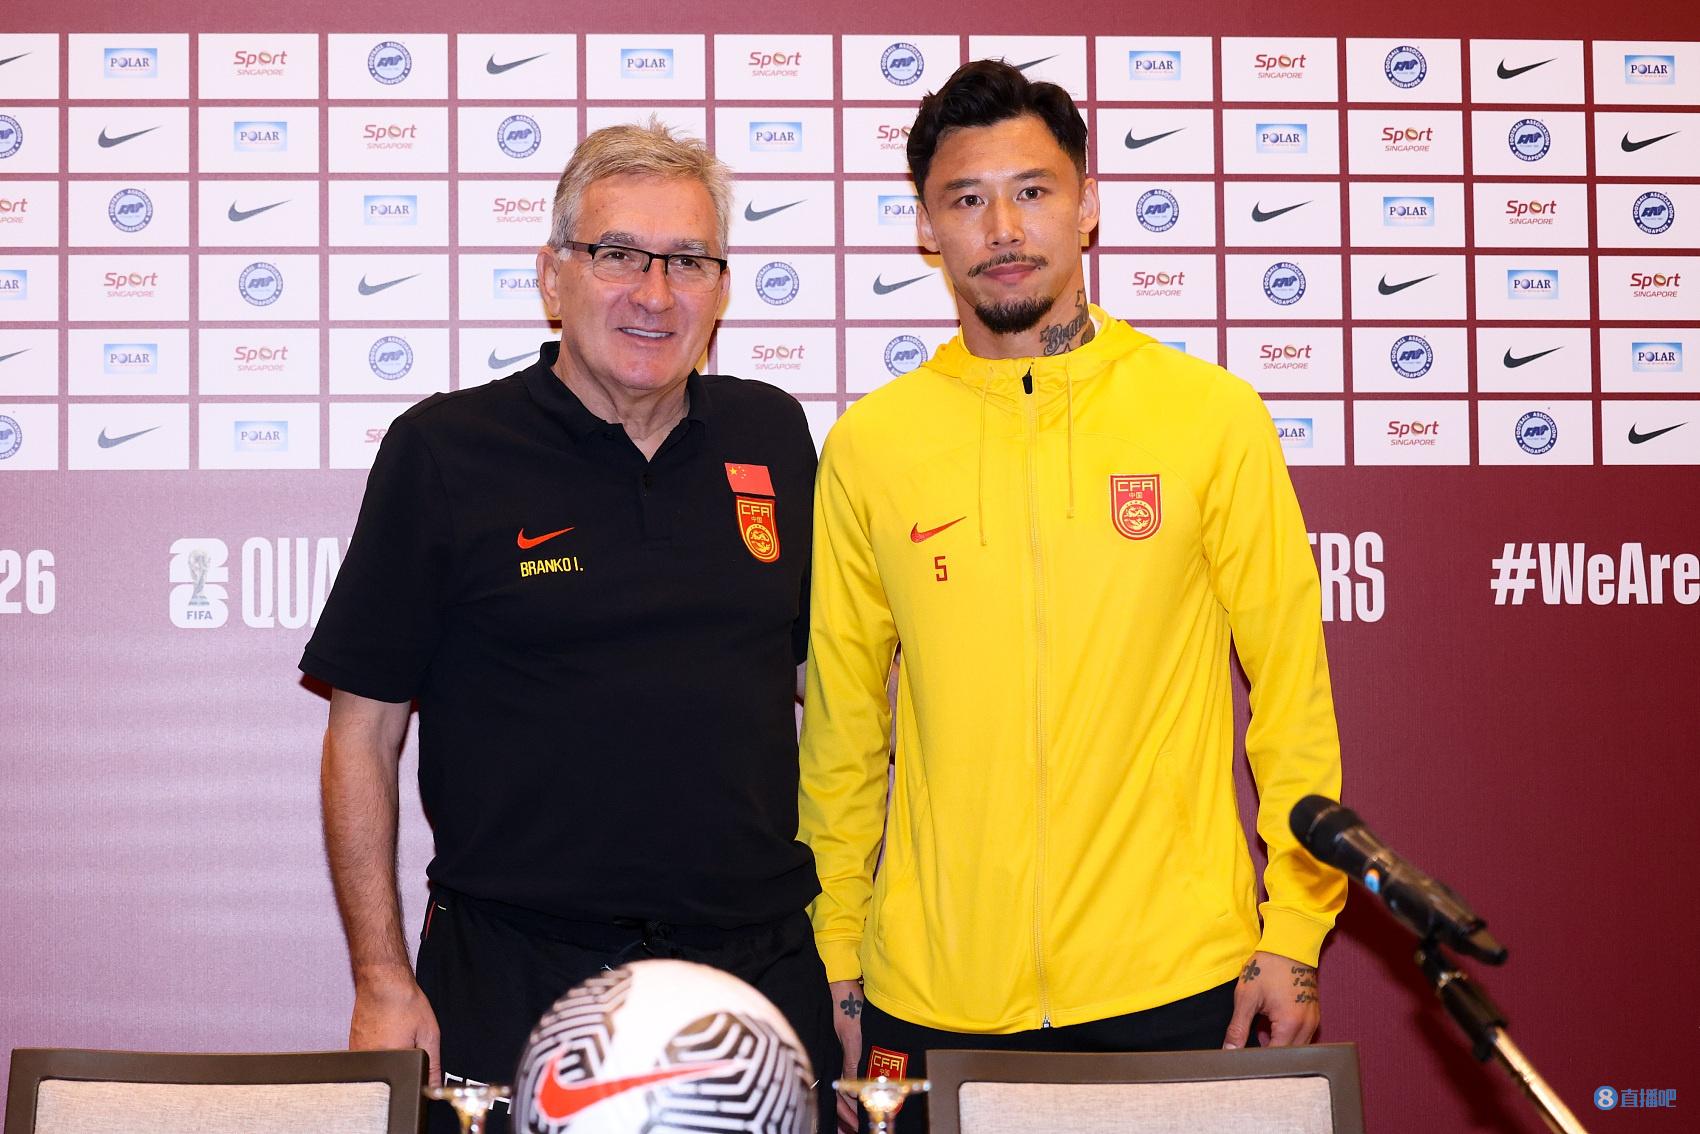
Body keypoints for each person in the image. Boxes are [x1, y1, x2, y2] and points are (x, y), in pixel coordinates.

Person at [797, 61, 1346, 1129]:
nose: (1003, 227)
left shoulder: (1209, 419)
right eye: (966, 199)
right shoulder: (872, 445)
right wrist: (838, 952)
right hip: (932, 992)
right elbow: (842, 732)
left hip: (1175, 982)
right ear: (926, 228)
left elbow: (1291, 698)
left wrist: (1293, 926)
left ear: (1087, 204)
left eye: (1033, 191)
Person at [303, 120, 836, 1134]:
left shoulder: (773, 435)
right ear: (553, 278)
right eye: (617, 254)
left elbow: (838, 697)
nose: (654, 293)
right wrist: (380, 979)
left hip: (756, 976)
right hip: (512, 976)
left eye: (688, 260)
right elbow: (361, 733)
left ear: (722, 289)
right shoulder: (445, 451)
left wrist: (847, 955)